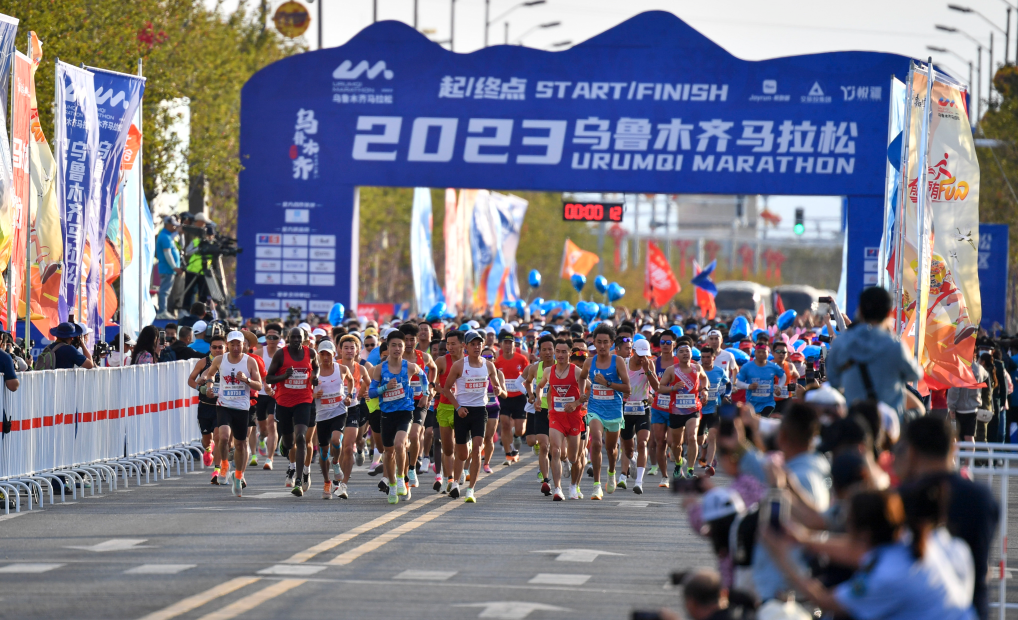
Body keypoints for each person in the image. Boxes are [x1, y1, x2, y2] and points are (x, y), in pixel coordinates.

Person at [761, 486, 976, 620]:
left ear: (864, 534)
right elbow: (855, 552)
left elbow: (825, 601)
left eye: (847, 523)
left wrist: (781, 558)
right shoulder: (907, 539)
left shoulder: (884, 576)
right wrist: (803, 539)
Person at [897, 416, 999, 620]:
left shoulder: (900, 498)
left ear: (911, 451)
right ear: (953, 446)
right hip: (971, 606)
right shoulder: (981, 497)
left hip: (915, 609)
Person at [826, 286, 922, 417]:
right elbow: (915, 375)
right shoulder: (894, 346)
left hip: (854, 420)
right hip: (888, 423)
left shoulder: (841, 343)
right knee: (919, 410)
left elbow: (833, 381)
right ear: (889, 313)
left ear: (860, 310)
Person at [442, 330, 503, 503]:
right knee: (462, 453)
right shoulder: (459, 366)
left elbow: (497, 386)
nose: (476, 347)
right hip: (462, 411)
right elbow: (446, 389)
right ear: (465, 346)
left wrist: (498, 389)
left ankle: (470, 490)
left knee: (477, 448)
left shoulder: (488, 366)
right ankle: (455, 483)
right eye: (473, 344)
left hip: (479, 411)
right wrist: (458, 407)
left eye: (479, 344)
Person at [199, 331, 263, 497]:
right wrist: (210, 386)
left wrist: (247, 380)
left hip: (242, 407)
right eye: (232, 344)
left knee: (241, 444)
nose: (235, 347)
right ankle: (224, 465)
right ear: (228, 345)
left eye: (238, 344)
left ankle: (239, 475)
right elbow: (210, 373)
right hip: (224, 405)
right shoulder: (220, 360)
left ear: (243, 345)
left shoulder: (250, 361)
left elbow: (259, 385)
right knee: (224, 437)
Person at [578, 324, 631, 499]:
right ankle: (596, 485)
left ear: (611, 343)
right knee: (596, 443)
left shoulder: (618, 361)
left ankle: (611, 472)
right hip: (595, 408)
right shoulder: (589, 362)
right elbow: (582, 377)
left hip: (614, 410)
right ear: (593, 342)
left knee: (611, 449)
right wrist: (582, 394)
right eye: (599, 342)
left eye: (605, 342)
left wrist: (607, 383)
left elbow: (627, 388)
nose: (602, 346)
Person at [265, 327, 319, 497]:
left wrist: (314, 377)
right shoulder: (281, 354)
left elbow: (316, 367)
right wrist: (284, 376)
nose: (296, 340)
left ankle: (299, 480)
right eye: (293, 337)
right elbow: (269, 377)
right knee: (289, 443)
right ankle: (284, 442)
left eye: (298, 337)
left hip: (304, 401)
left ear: (303, 339)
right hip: (284, 402)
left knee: (301, 437)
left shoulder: (310, 353)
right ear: (288, 338)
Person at [369, 329, 421, 504]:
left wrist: (426, 393)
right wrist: (386, 388)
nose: (397, 348)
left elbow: (424, 376)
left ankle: (400, 478)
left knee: (400, 445)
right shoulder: (379, 369)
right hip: (386, 414)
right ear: (388, 347)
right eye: (394, 345)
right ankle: (392, 485)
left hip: (405, 412)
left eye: (400, 345)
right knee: (389, 452)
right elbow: (371, 392)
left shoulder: (410, 366)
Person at [537, 339, 589, 500]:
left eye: (564, 352)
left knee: (574, 458)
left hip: (574, 418)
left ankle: (573, 485)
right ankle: (558, 488)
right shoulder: (548, 371)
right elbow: (541, 387)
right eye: (558, 351)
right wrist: (539, 400)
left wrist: (576, 403)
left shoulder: (577, 371)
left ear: (570, 353)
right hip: (556, 417)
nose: (560, 355)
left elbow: (590, 389)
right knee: (555, 450)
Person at [658, 338, 709, 481]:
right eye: (681, 351)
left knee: (692, 437)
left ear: (691, 354)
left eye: (687, 351)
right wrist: (672, 388)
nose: (685, 353)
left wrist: (704, 390)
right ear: (677, 355)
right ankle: (679, 463)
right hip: (676, 411)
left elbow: (705, 378)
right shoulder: (671, 370)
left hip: (693, 409)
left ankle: (690, 470)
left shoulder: (697, 368)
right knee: (675, 444)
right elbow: (660, 388)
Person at [313, 339, 355, 499]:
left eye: (328, 354)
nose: (325, 357)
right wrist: (313, 395)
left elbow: (351, 380)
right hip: (322, 415)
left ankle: (336, 462)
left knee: (336, 440)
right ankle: (326, 482)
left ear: (334, 354)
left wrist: (349, 396)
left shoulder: (341, 369)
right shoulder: (314, 372)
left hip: (339, 410)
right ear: (318, 355)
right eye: (322, 354)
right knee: (323, 452)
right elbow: (306, 391)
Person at [620, 338, 657, 494]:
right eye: (639, 355)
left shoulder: (649, 364)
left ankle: (638, 481)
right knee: (628, 448)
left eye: (644, 355)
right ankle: (631, 460)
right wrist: (621, 391)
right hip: (626, 408)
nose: (641, 358)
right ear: (633, 351)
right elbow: (616, 383)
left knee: (642, 443)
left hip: (643, 408)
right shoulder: (623, 363)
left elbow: (656, 386)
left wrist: (648, 371)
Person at [188, 333, 226, 481]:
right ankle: (208, 449)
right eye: (214, 347)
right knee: (206, 440)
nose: (217, 350)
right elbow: (191, 380)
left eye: (220, 347)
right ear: (210, 348)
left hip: (221, 406)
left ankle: (217, 470)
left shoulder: (229, 362)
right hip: (205, 406)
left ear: (225, 348)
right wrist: (200, 388)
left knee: (218, 437)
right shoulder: (203, 362)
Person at [523, 334, 557, 494]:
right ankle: (546, 481)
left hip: (558, 412)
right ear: (539, 351)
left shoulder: (561, 366)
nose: (547, 352)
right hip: (541, 410)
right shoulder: (535, 368)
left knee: (557, 450)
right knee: (544, 445)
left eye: (550, 349)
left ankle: (561, 467)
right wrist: (531, 395)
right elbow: (528, 382)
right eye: (544, 349)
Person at [494, 331, 530, 465]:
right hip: (504, 397)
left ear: (515, 345)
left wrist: (529, 392)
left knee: (520, 430)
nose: (508, 345)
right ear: (501, 345)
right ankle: (508, 453)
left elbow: (529, 376)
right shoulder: (497, 361)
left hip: (519, 397)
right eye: (506, 343)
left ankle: (515, 436)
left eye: (510, 343)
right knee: (505, 424)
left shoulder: (522, 359)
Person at [650, 329, 678, 481]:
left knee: (673, 443)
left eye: (668, 342)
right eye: (662, 342)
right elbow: (648, 383)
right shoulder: (655, 363)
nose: (665, 345)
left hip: (675, 408)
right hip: (658, 407)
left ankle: (679, 463)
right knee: (659, 442)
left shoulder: (679, 362)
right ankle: (664, 476)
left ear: (674, 344)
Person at [699, 346, 731, 477]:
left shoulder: (719, 371)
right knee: (699, 440)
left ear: (713, 358)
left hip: (714, 408)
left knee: (712, 435)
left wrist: (726, 396)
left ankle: (709, 464)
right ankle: (704, 443)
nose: (705, 360)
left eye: (708, 357)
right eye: (703, 357)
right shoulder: (697, 370)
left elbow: (728, 384)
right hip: (699, 410)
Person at [255, 323, 283, 470]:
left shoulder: (282, 353)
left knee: (272, 423)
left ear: (280, 338)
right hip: (259, 393)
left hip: (275, 394)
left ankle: (269, 458)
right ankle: (261, 437)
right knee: (263, 427)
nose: (271, 340)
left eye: (275, 337)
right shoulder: (259, 353)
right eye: (269, 337)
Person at [735, 342, 785, 417]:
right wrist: (748, 386)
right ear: (755, 352)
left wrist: (779, 387)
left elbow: (783, 376)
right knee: (754, 422)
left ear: (768, 353)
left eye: (764, 352)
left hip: (768, 403)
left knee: (764, 420)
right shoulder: (747, 367)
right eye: (759, 352)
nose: (761, 354)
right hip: (752, 403)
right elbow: (738, 382)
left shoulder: (773, 366)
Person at [948, 359, 991, 443]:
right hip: (973, 407)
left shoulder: (958, 369)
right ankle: (970, 452)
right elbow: (986, 376)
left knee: (956, 436)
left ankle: (957, 452)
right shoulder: (979, 368)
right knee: (970, 437)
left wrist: (951, 407)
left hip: (959, 408)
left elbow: (954, 391)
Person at [155, 215, 183, 319]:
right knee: (165, 291)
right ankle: (162, 311)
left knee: (166, 291)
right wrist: (174, 267)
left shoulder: (167, 236)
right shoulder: (165, 237)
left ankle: (163, 310)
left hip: (168, 269)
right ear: (168, 225)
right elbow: (167, 254)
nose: (175, 227)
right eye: (173, 225)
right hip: (167, 269)